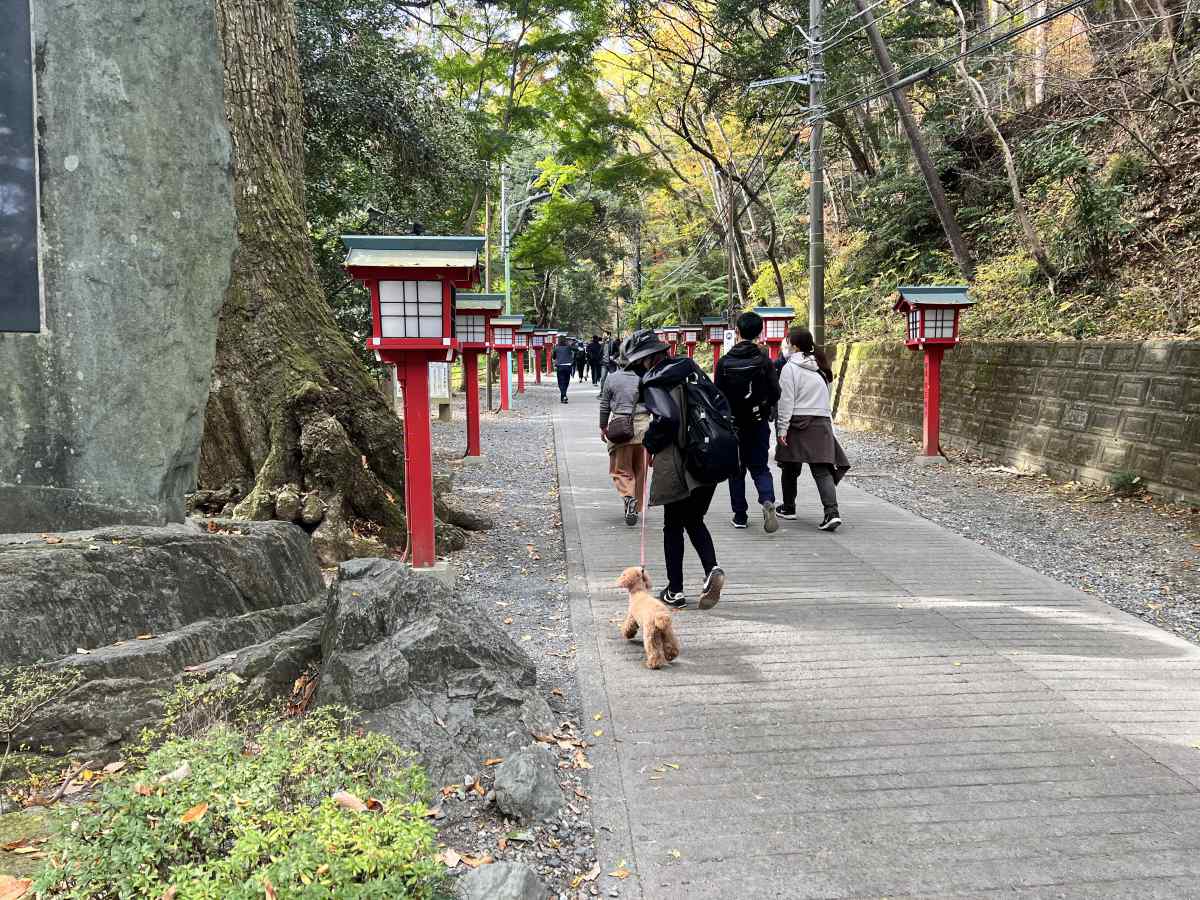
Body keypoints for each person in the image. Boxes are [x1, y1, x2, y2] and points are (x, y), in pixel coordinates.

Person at [634, 330, 726, 610]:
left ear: (649, 360)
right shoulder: (693, 370)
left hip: (679, 460)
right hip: (710, 453)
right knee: (694, 518)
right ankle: (712, 569)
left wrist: (650, 441)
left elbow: (668, 419)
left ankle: (675, 590)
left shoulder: (656, 381)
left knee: (673, 525)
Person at [775, 326, 849, 530]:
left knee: (789, 466)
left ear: (795, 346)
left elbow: (786, 401)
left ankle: (789, 507)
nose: (787, 347)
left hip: (798, 422)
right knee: (822, 470)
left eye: (789, 343)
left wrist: (782, 429)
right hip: (821, 421)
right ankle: (831, 512)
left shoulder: (790, 368)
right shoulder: (820, 368)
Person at [714, 310, 781, 533]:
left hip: (733, 425)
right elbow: (775, 392)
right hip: (758, 422)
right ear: (760, 332)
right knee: (760, 467)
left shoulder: (724, 362)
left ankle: (740, 515)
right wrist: (765, 407)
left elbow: (718, 396)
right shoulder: (764, 360)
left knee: (736, 470)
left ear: (737, 331)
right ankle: (767, 500)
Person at [599, 337, 649, 526]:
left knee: (621, 469)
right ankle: (636, 507)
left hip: (621, 428)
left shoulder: (612, 378)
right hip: (644, 428)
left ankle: (628, 498)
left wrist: (603, 426)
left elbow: (605, 406)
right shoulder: (646, 377)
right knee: (640, 470)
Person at [552, 334, 576, 403]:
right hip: (568, 366)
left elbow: (553, 356)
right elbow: (576, 349)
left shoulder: (556, 348)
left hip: (560, 366)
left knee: (560, 382)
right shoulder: (568, 347)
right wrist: (572, 344)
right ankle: (564, 396)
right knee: (566, 381)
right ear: (565, 340)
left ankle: (564, 395)